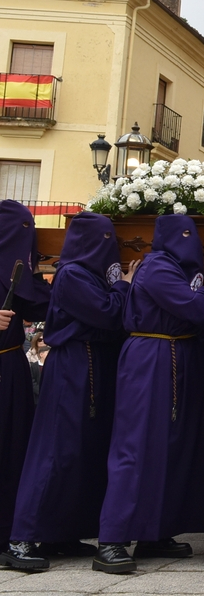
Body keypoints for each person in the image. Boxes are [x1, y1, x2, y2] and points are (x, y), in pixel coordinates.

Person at [95, 214, 204, 573]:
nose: (190, 242)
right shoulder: (159, 267)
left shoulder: (173, 268)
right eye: (183, 235)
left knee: (171, 446)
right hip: (151, 358)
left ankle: (154, 531)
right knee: (136, 447)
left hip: (177, 357)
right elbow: (195, 309)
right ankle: (112, 540)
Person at [1, 213, 126, 570]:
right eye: (103, 240)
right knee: (55, 450)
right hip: (72, 366)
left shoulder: (89, 275)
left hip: (92, 364)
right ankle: (21, 539)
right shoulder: (72, 274)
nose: (110, 247)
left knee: (83, 451)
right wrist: (123, 285)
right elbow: (108, 314)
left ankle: (62, 533)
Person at [0, 201, 51, 557]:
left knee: (13, 451)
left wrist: (39, 274)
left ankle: (10, 534)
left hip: (11, 366)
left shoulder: (13, 271)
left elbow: (38, 305)